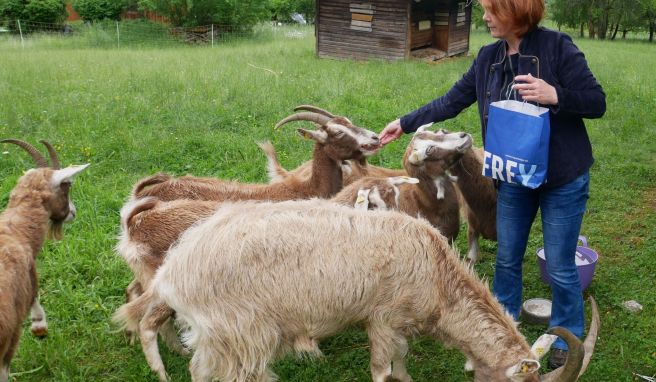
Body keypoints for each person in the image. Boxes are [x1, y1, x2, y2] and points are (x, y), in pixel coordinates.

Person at [379, 0, 605, 369]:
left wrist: (556, 96)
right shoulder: (488, 58)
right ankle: (499, 332)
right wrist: (405, 122)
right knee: (506, 259)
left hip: (562, 177)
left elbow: (597, 102)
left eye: (492, 10)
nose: (484, 17)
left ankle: (567, 334)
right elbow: (453, 100)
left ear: (518, 11)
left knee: (562, 265)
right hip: (513, 176)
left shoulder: (558, 48)